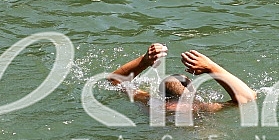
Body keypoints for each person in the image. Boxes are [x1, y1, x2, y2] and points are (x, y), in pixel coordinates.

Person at [107, 43, 256, 113]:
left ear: (162, 94)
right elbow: (248, 98)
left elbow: (114, 80)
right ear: (193, 93)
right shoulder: (200, 108)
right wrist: (211, 67)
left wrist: (145, 60)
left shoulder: (151, 103)